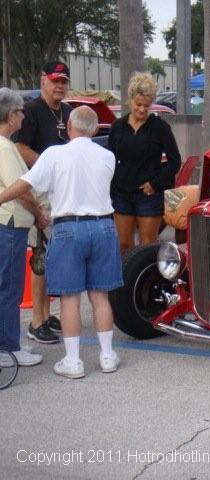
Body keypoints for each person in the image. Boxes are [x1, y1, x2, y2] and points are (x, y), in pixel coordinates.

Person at [0, 106, 123, 379]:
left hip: (68, 228)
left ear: (69, 126)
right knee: (100, 296)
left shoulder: (54, 154)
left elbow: (25, 184)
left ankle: (73, 361)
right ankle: (106, 356)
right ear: (94, 129)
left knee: (69, 299)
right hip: (103, 226)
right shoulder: (107, 156)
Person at [14, 60, 73, 344]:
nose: (59, 85)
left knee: (56, 258)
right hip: (39, 195)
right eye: (55, 80)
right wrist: (49, 164)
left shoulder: (69, 111)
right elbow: (19, 147)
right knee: (41, 258)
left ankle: (48, 315)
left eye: (63, 81)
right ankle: (36, 321)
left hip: (63, 195)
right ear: (43, 81)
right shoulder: (32, 111)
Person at [0, 88, 49, 367]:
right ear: (10, 116)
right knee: (9, 288)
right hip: (10, 224)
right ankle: (8, 348)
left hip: (9, 224)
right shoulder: (6, 147)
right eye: (19, 111)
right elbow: (20, 189)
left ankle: (9, 343)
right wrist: (39, 213)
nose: (23, 116)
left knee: (7, 286)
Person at [108, 72, 181, 253]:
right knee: (123, 244)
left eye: (146, 106)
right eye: (138, 104)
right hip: (121, 193)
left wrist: (155, 184)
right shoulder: (117, 127)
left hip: (148, 195)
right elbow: (109, 160)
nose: (141, 109)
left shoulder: (160, 127)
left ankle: (147, 280)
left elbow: (175, 161)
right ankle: (126, 281)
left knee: (147, 245)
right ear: (130, 100)